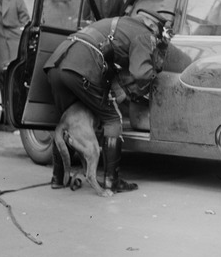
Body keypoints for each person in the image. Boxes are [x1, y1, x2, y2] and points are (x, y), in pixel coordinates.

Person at [42, 12, 168, 193]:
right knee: (112, 119)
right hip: (82, 69)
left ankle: (58, 178)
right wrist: (156, 80)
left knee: (67, 120)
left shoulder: (120, 23)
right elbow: (141, 73)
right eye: (158, 33)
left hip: (56, 65)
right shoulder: (144, 34)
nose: (156, 38)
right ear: (153, 25)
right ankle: (112, 181)